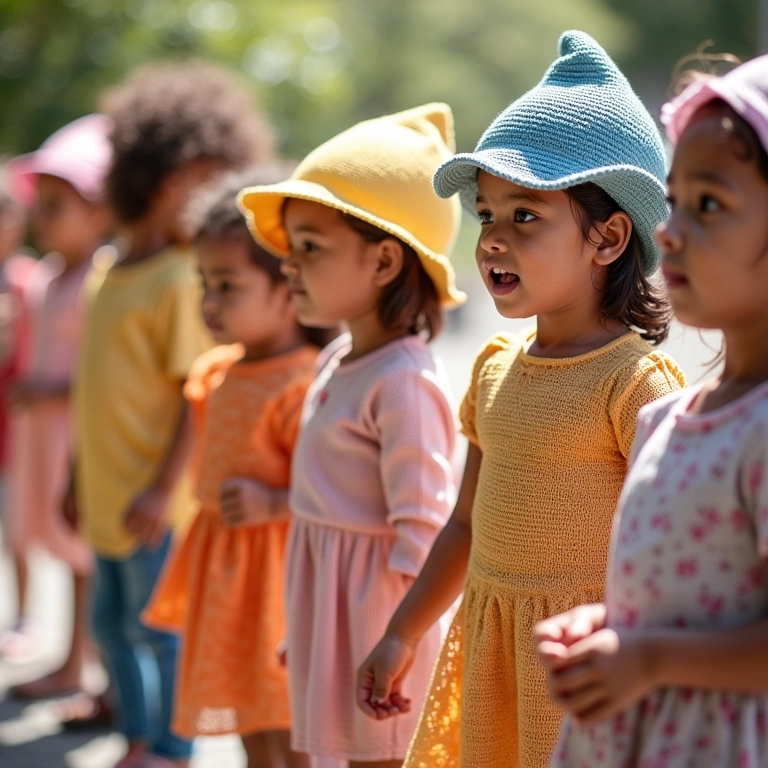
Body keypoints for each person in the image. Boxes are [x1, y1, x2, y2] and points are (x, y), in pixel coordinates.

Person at [357, 31, 686, 768]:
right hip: (496, 649)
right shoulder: (495, 369)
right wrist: (402, 633)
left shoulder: (634, 384)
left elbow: (671, 557)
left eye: (525, 216)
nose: (493, 240)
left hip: (584, 669)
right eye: (486, 215)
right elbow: (464, 524)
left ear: (608, 238)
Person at [536, 51, 768, 768]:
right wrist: (613, 628)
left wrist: (650, 659)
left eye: (710, 205)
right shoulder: (666, 418)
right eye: (675, 201)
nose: (668, 231)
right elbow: (693, 595)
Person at [238, 103, 463, 768]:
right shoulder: (340, 357)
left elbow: (423, 530)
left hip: (377, 620)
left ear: (385, 260)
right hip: (331, 613)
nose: (288, 266)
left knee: (379, 758)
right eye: (290, 248)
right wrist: (312, 627)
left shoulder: (403, 382)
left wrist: (401, 639)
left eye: (310, 247)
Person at [71, 61, 274, 768]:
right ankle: (137, 737)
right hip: (106, 494)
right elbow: (94, 392)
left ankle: (170, 747)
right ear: (162, 176)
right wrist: (73, 475)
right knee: (110, 625)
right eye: (202, 178)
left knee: (160, 629)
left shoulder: (179, 281)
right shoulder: (109, 270)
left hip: (156, 505)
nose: (212, 196)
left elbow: (198, 394)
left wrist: (163, 488)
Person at [143, 169, 330, 768]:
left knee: (288, 720)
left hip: (277, 577)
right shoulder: (214, 372)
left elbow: (332, 491)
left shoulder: (304, 381)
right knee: (247, 720)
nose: (210, 302)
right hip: (225, 576)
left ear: (289, 289)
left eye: (228, 285)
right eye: (205, 283)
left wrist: (271, 502)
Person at [1, 115, 113, 697]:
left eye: (56, 205)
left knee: (82, 553)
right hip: (40, 434)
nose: (39, 216)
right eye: (39, 204)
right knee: (60, 548)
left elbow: (105, 374)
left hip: (75, 435)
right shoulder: (43, 277)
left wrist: (47, 391)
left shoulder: (102, 278)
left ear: (99, 213)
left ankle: (80, 665)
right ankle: (77, 661)